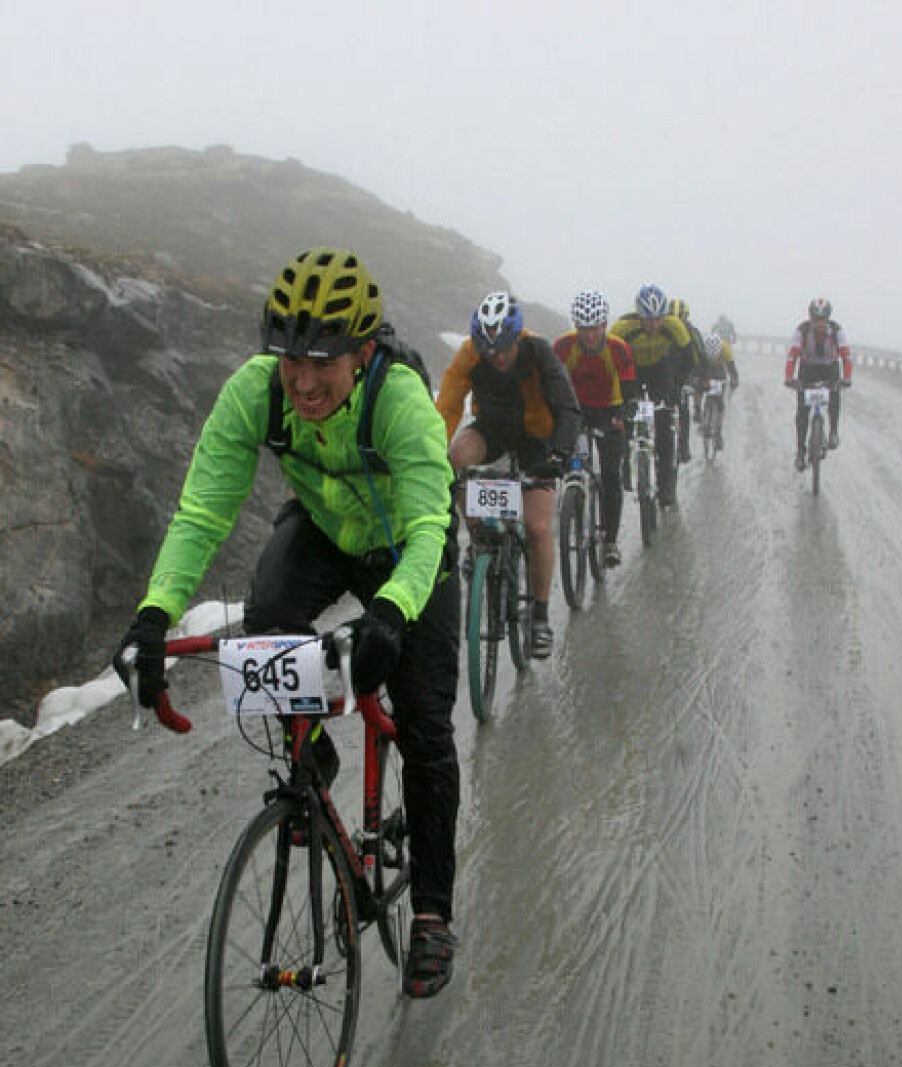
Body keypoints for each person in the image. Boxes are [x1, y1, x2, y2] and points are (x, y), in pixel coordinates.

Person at [113, 247, 461, 999]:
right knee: (267, 612)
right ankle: (309, 756)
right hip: (328, 533)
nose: (302, 382)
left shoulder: (398, 400)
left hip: (408, 548)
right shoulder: (254, 393)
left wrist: (393, 613)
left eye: (324, 363)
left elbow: (431, 521)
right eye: (289, 360)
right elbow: (204, 509)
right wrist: (154, 613)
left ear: (363, 352)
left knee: (427, 726)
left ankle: (433, 911)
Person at [437, 291, 580, 658]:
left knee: (536, 527)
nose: (497, 357)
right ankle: (480, 537)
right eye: (489, 351)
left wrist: (560, 454)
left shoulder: (539, 352)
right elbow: (448, 406)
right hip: (495, 430)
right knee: (454, 457)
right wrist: (428, 456)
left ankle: (540, 617)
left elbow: (567, 408)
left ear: (517, 338)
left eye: (503, 348)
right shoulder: (471, 354)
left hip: (538, 439)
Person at [553, 290, 636, 567]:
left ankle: (610, 542)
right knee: (568, 464)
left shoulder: (618, 348)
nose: (590, 336)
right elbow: (550, 382)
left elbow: (629, 389)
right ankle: (573, 504)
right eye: (584, 329)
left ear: (604, 325)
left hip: (609, 411)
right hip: (576, 411)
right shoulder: (563, 347)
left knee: (611, 474)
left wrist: (624, 415)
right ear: (577, 327)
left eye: (595, 329)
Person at [609, 284, 696, 501]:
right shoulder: (622, 328)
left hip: (660, 370)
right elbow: (609, 360)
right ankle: (625, 464)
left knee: (663, 424)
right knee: (627, 417)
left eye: (657, 319)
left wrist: (679, 386)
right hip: (633, 371)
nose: (653, 325)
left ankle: (666, 484)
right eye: (647, 319)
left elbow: (688, 359)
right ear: (639, 316)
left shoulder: (675, 326)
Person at [785, 297, 852, 469]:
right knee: (802, 412)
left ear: (828, 318)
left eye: (823, 320)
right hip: (808, 370)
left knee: (835, 396)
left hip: (830, 369)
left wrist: (847, 377)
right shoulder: (802, 330)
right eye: (816, 320)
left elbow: (846, 356)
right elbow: (793, 355)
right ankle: (800, 452)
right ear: (811, 318)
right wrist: (789, 377)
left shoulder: (837, 331)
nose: (820, 324)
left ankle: (833, 432)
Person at [699, 332, 739, 449]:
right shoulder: (701, 349)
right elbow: (696, 367)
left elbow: (732, 368)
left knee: (719, 402)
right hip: (705, 367)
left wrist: (734, 380)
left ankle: (718, 433)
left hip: (719, 370)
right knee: (701, 386)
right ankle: (701, 412)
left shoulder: (726, 349)